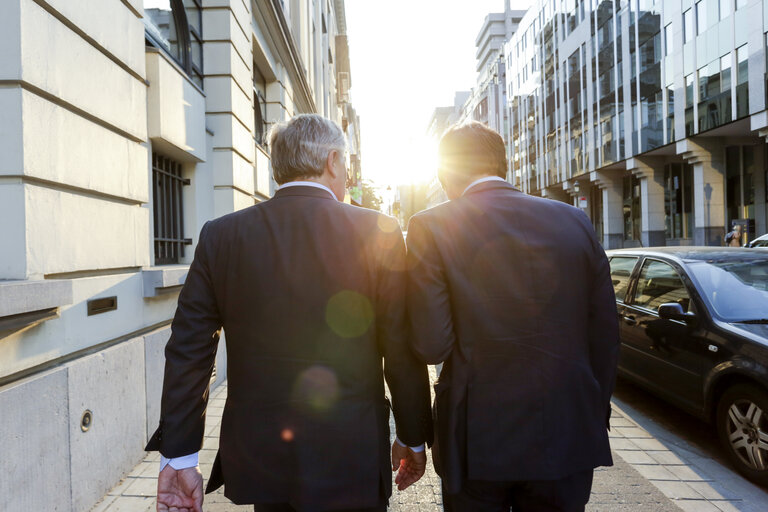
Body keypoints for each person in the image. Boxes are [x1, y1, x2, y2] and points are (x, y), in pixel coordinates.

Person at [146, 114, 433, 512]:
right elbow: (400, 347)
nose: (348, 179)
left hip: (262, 455)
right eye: (346, 167)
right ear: (333, 161)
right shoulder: (378, 231)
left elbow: (189, 350)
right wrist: (412, 435)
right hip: (352, 453)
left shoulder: (222, 235)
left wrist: (179, 458)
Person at [406, 122, 620, 512]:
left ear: (445, 173)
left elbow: (431, 344)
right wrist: (592, 408)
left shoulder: (431, 226)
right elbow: (605, 332)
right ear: (502, 165)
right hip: (567, 429)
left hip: (477, 437)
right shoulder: (575, 221)